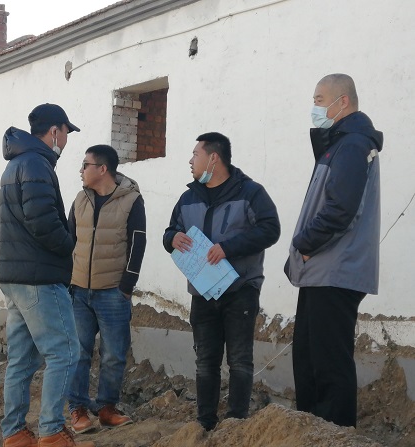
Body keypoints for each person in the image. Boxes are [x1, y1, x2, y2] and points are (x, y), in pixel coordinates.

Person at [163, 132, 280, 431]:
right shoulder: (188, 198)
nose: (191, 161)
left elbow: (270, 229)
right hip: (202, 293)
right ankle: (205, 424)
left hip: (240, 290)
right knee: (205, 361)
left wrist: (229, 248)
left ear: (213, 158)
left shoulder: (250, 193)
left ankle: (235, 424)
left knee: (239, 360)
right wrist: (171, 238)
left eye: (196, 154)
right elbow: (171, 231)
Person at [284, 74, 383, 428]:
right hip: (322, 271)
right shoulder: (338, 144)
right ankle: (314, 433)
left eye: (319, 99)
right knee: (309, 361)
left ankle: (335, 436)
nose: (315, 107)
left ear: (343, 102)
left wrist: (304, 244)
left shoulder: (353, 144)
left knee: (329, 366)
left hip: (335, 270)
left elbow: (341, 209)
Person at [0, 104, 94, 447]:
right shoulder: (36, 164)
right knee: (65, 351)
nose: (65, 140)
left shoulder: (16, 163)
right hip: (39, 277)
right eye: (66, 133)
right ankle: (51, 431)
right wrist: (68, 245)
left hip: (16, 275)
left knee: (22, 360)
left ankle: (15, 432)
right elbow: (42, 221)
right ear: (54, 131)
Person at [67, 145, 147, 434]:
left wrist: (126, 286)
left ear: (102, 169)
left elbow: (138, 243)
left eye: (85, 165)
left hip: (113, 292)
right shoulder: (80, 199)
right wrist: (67, 282)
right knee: (78, 353)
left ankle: (106, 408)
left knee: (113, 354)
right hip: (79, 292)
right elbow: (68, 240)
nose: (81, 170)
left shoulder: (131, 200)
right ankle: (77, 409)